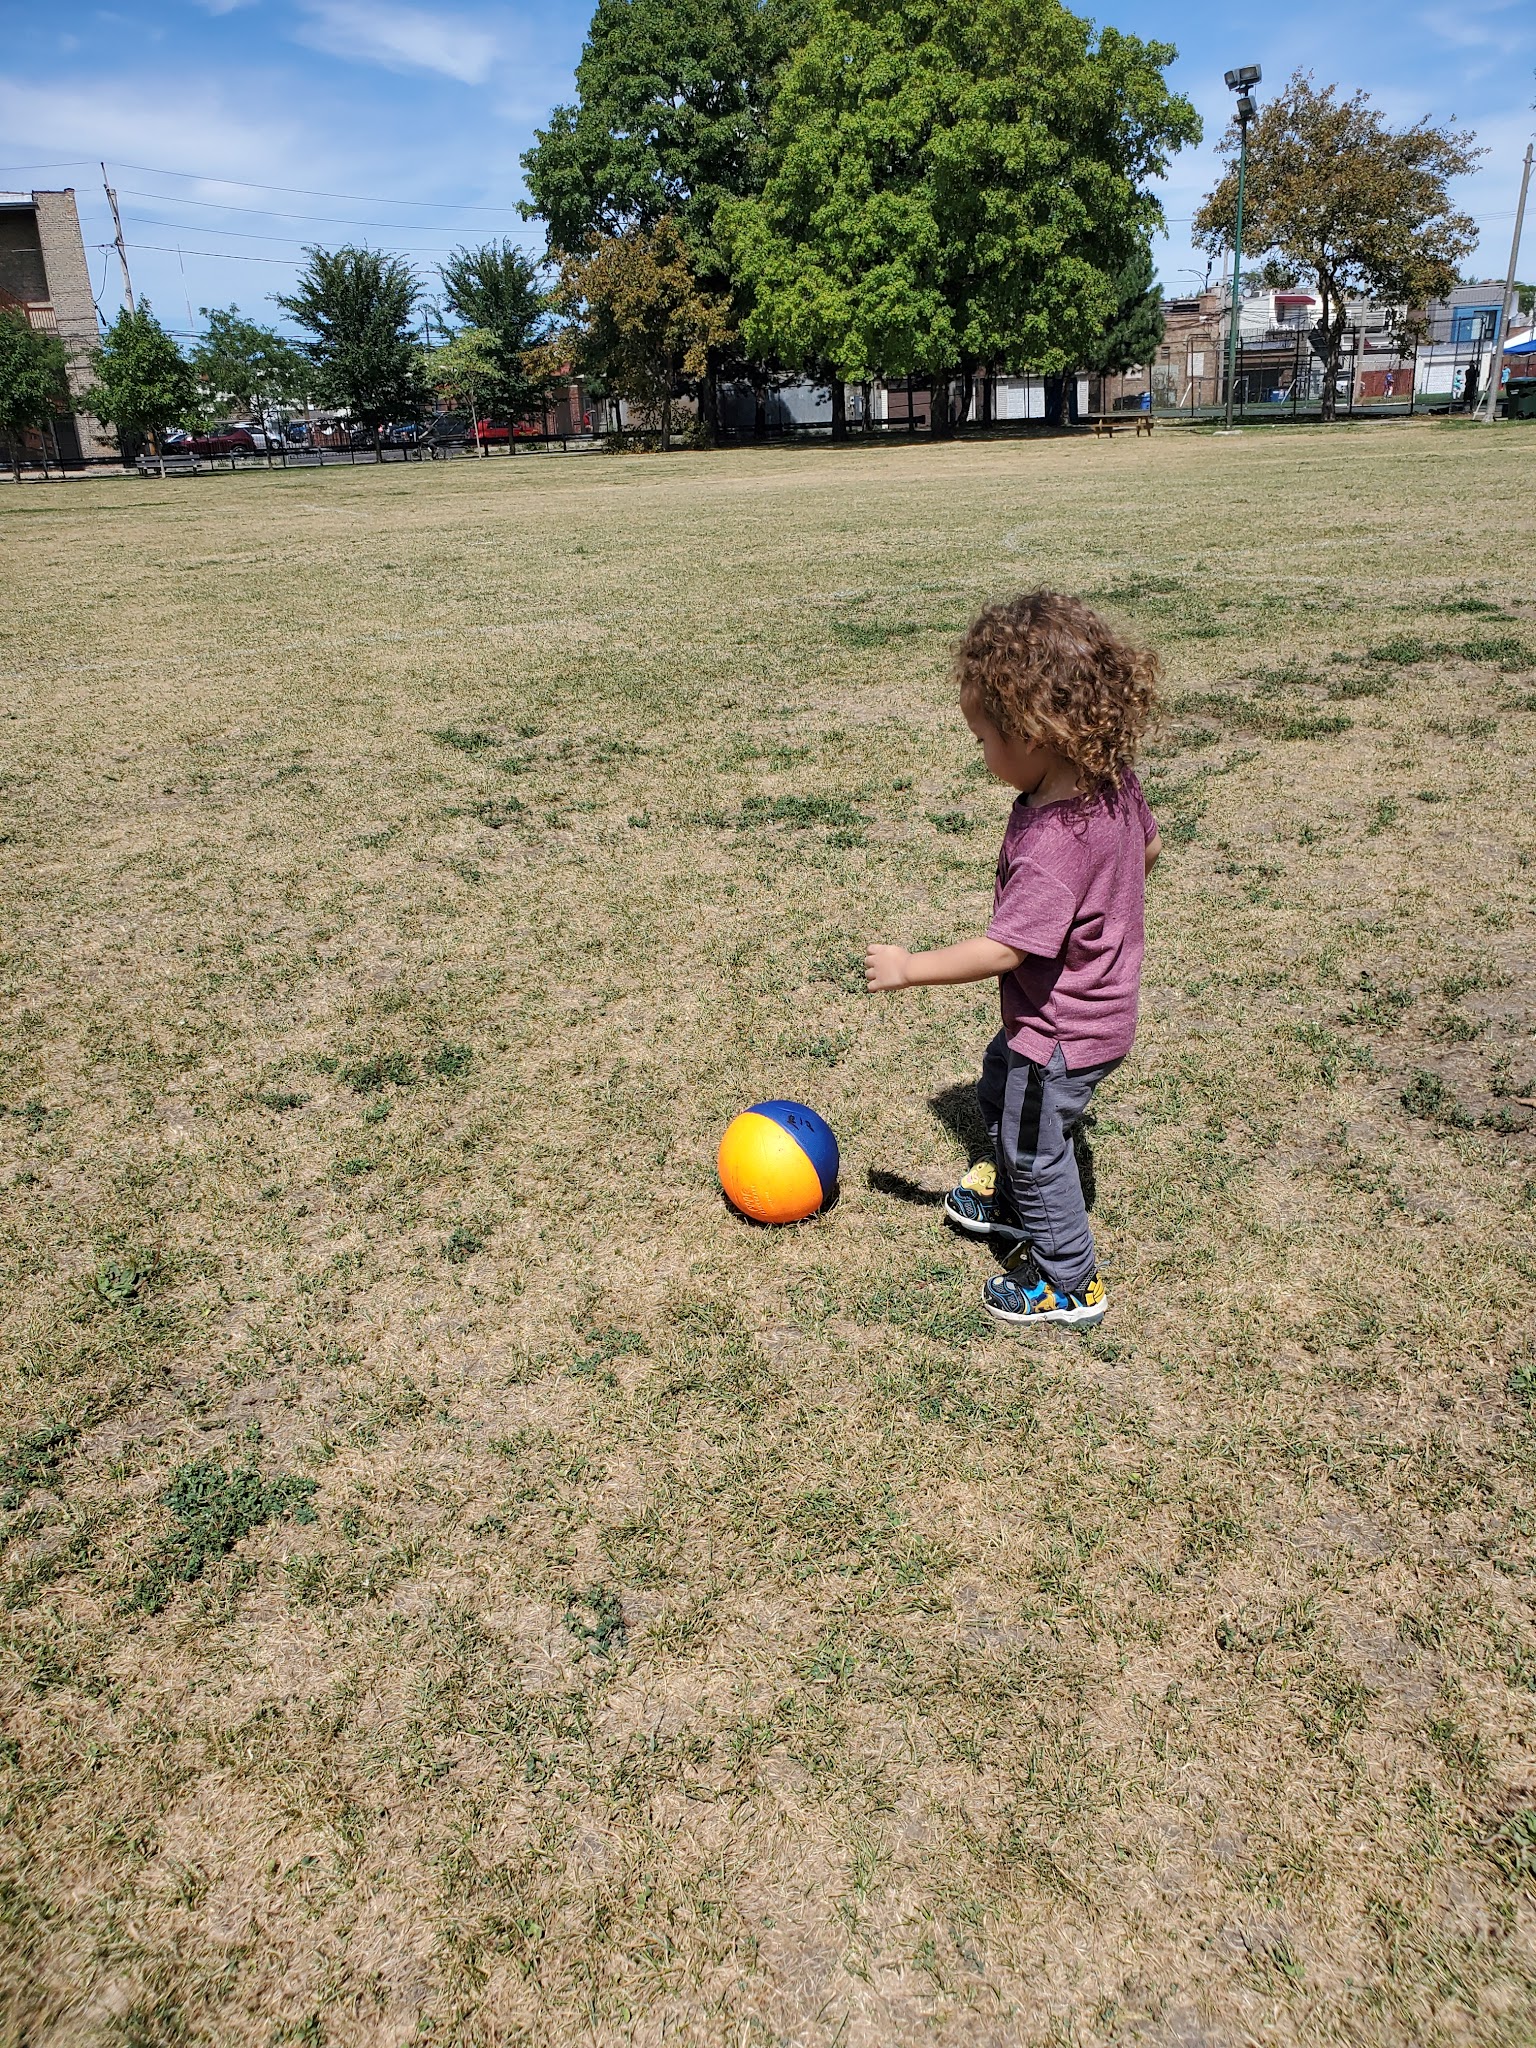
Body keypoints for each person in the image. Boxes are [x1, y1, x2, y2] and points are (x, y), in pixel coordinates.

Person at [865, 592, 1162, 1329]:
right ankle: (1007, 1204)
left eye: (983, 738)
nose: (980, 753)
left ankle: (1070, 1282)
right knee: (1000, 1087)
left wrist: (908, 967)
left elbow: (1006, 947)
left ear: (1033, 734)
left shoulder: (1053, 845)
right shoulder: (1109, 780)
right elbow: (1148, 850)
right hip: (1087, 1012)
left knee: (1034, 1150)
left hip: (1060, 1030)